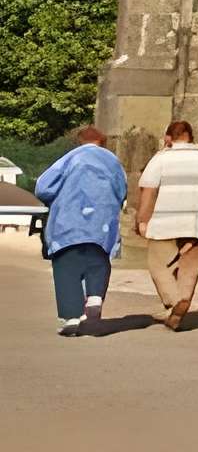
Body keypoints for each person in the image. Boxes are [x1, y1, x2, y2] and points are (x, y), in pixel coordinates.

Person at [31, 128, 129, 336]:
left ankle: (72, 317)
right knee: (98, 261)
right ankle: (94, 297)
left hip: (69, 222)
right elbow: (122, 191)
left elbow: (43, 187)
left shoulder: (70, 158)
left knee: (67, 268)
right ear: (103, 141)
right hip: (103, 224)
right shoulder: (113, 162)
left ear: (80, 141)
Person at [133, 120, 198, 330]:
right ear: (191, 137)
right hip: (196, 223)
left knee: (158, 266)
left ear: (168, 138)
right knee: (189, 269)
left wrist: (142, 219)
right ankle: (180, 306)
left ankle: (174, 301)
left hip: (165, 223)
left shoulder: (161, 159)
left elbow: (148, 191)